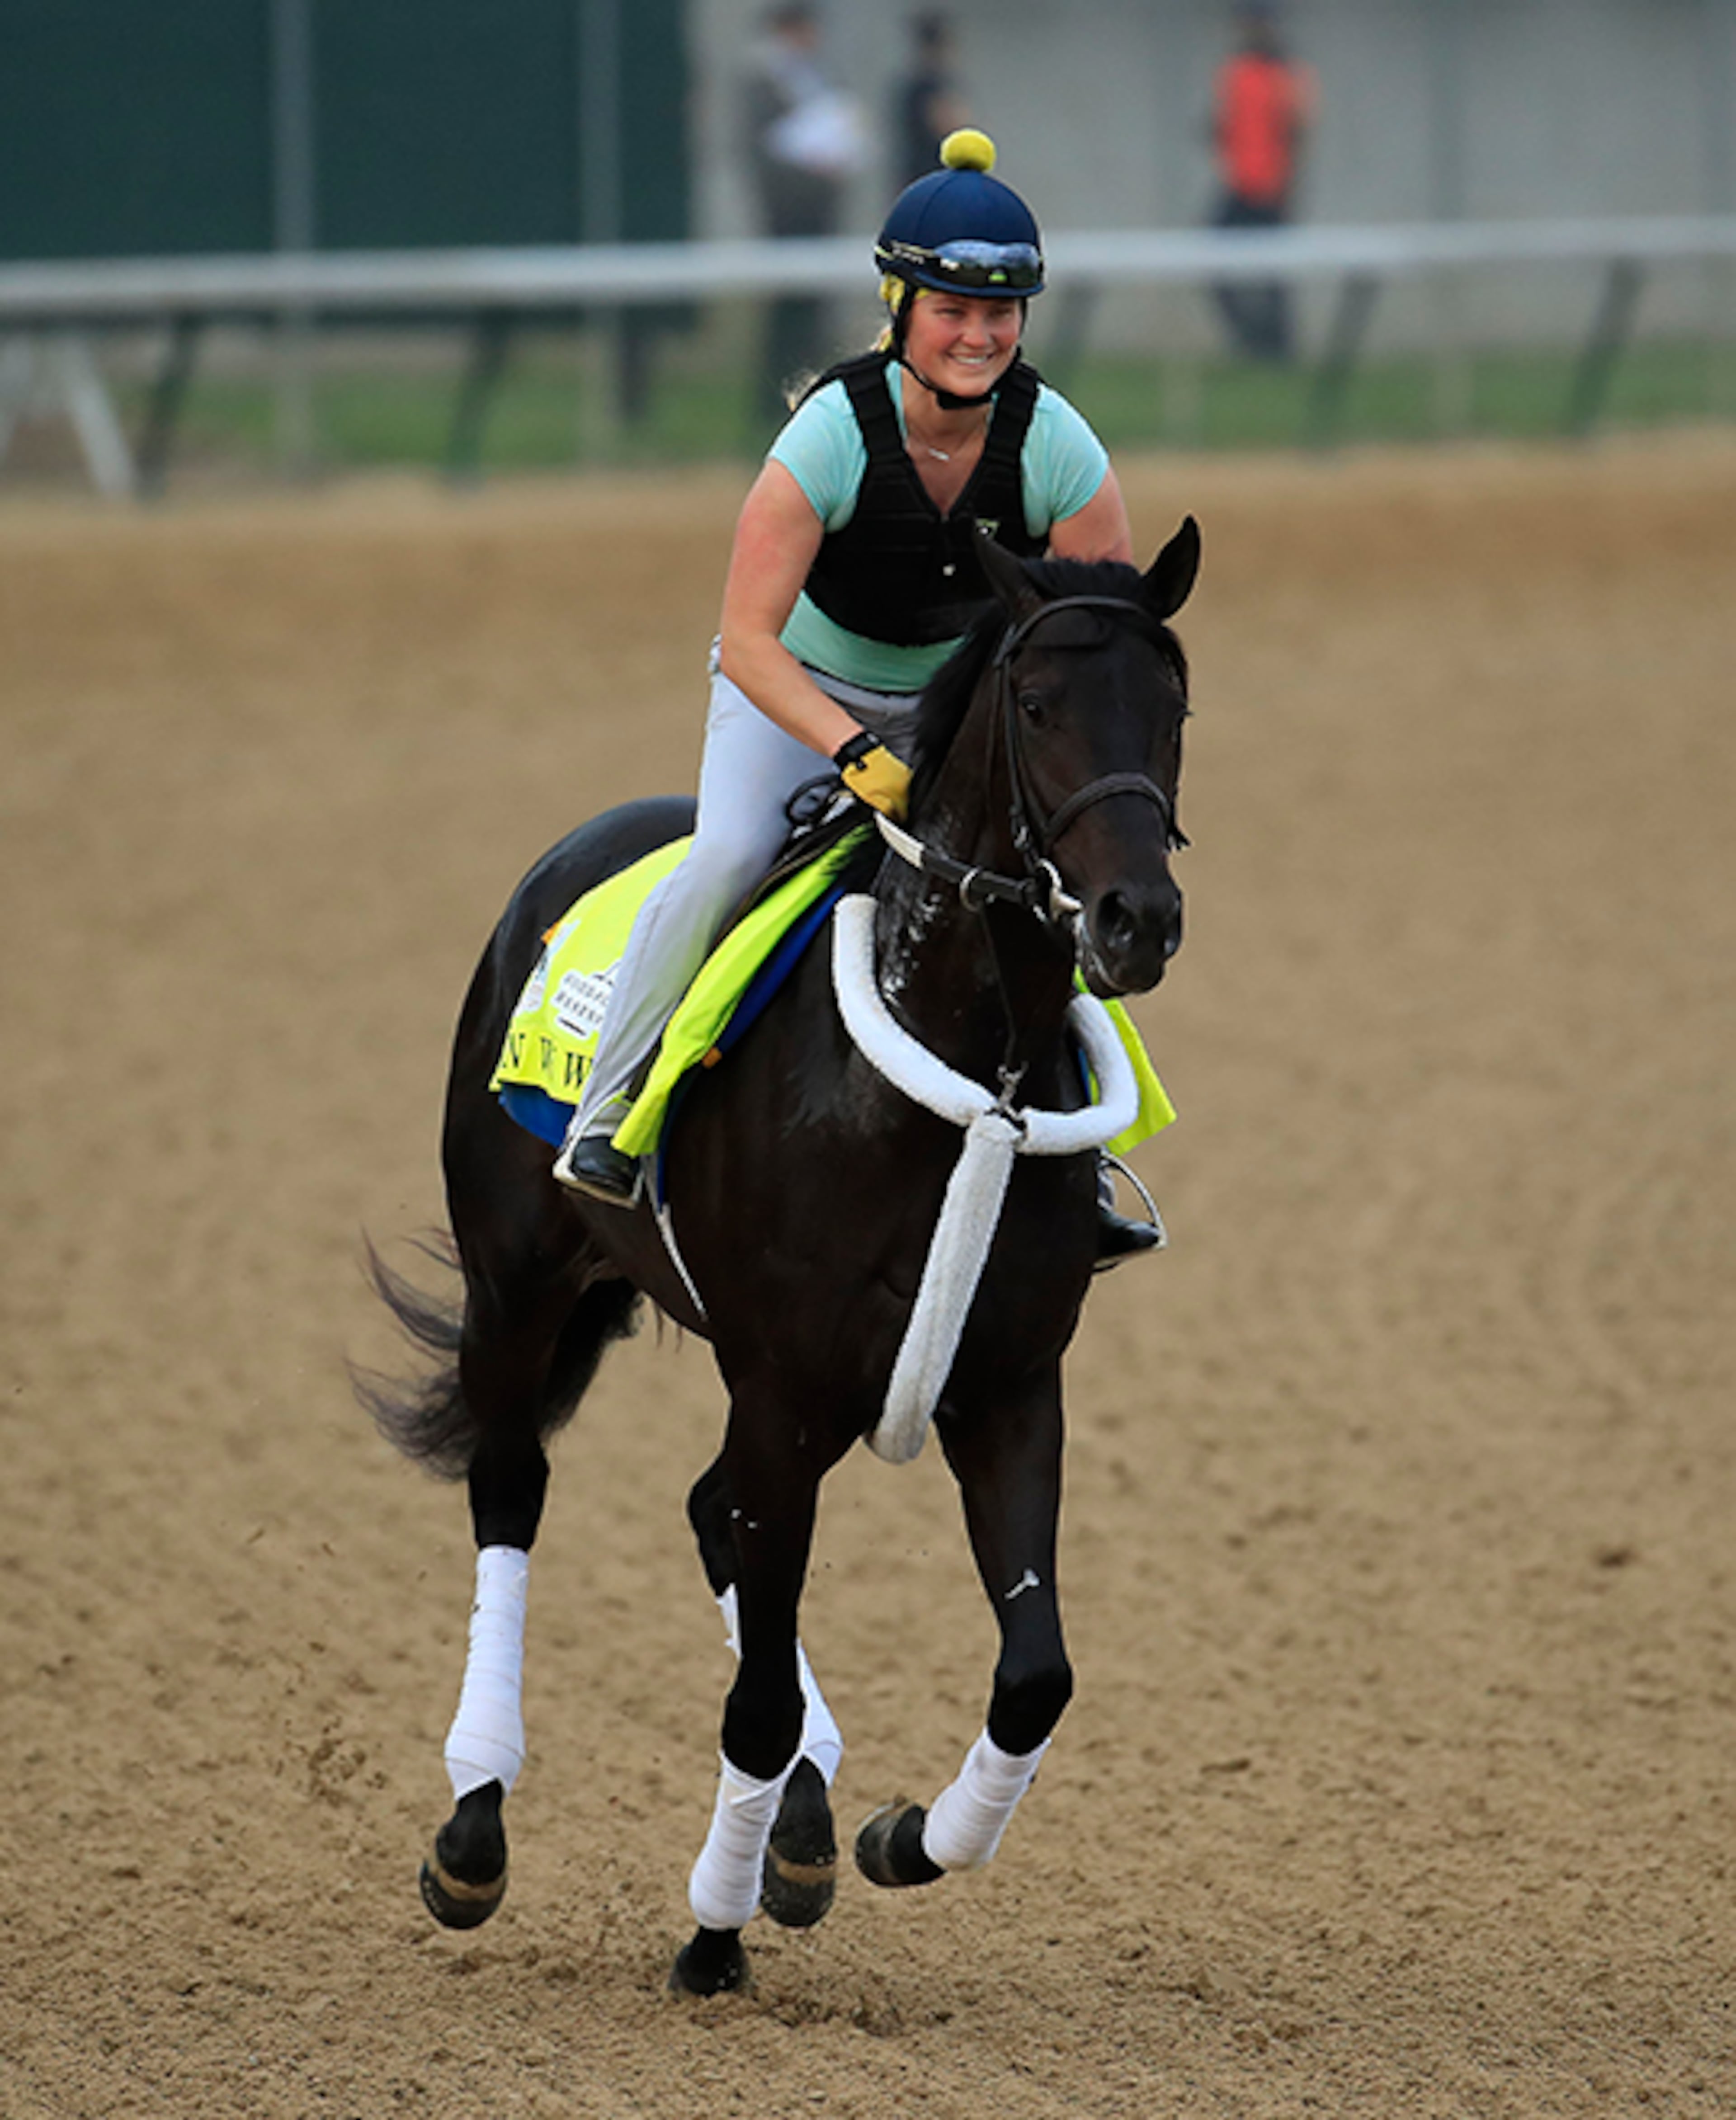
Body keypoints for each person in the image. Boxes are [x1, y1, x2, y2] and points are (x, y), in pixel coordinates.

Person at [555, 128, 1160, 1263]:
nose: (979, 335)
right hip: (796, 699)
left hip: (955, 710)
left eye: (1002, 314)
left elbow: (1097, 640)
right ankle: (614, 1115)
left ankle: (1080, 1167)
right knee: (730, 857)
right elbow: (745, 639)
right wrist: (847, 750)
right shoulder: (828, 436)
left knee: (1064, 883)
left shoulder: (1060, 448)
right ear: (900, 307)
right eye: (952, 310)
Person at [741, 2, 867, 426]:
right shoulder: (763, 80)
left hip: (821, 207)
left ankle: (813, 396)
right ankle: (772, 400)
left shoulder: (819, 78)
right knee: (788, 310)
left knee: (817, 311)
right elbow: (766, 148)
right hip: (787, 212)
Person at [1207, 0, 1317, 362]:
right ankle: (1256, 340)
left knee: (1274, 279)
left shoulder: (1285, 75)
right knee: (1213, 266)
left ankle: (1277, 349)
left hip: (1270, 188)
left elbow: (1295, 133)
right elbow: (1227, 126)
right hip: (1239, 185)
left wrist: (1287, 188)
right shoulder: (1236, 71)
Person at [891, 13, 969, 193]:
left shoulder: (913, 84)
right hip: (929, 175)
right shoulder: (929, 86)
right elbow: (945, 125)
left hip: (919, 176)